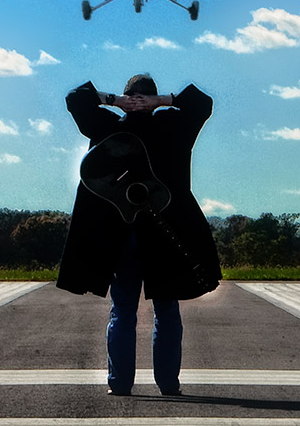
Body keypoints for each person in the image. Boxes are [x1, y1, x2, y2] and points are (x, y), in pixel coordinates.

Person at [60, 73, 222, 397]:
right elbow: (202, 103)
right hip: (165, 233)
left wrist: (114, 102)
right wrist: (165, 102)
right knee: (166, 309)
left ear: (127, 97)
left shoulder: (106, 126)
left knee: (123, 310)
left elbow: (76, 98)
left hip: (119, 235)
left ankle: (119, 384)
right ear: (152, 99)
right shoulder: (174, 127)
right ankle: (168, 384)